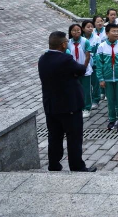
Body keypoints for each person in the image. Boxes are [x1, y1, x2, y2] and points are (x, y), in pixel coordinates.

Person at [38, 31, 95, 172]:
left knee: (54, 137)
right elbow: (81, 70)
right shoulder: (66, 59)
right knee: (74, 138)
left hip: (51, 106)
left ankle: (54, 164)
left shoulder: (42, 59)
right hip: (70, 106)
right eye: (66, 42)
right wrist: (87, 57)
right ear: (63, 44)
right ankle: (77, 166)